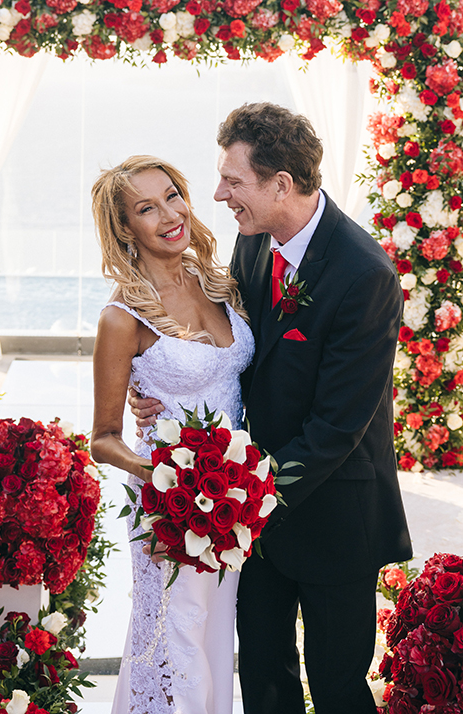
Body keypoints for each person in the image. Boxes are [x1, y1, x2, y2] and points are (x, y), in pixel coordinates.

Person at [132, 103, 413, 714]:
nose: (218, 194)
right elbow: (236, 351)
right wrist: (162, 382)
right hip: (256, 519)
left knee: (337, 684)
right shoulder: (254, 242)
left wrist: (246, 497)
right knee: (262, 675)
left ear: (280, 185)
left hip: (334, 512)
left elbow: (338, 425)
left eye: (233, 181)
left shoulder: (365, 274)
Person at [90, 155, 254, 714]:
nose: (168, 215)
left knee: (214, 632)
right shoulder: (122, 318)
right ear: (125, 229)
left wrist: (235, 478)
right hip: (169, 503)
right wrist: (164, 477)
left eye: (172, 196)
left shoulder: (221, 283)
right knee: (175, 635)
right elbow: (104, 438)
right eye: (146, 208)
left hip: (233, 499)